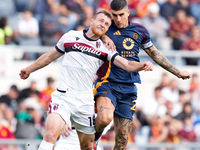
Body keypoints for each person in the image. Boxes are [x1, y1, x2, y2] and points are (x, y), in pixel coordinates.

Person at [19, 9, 154, 150]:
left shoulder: (105, 48)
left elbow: (127, 64)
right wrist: (29, 69)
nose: (103, 24)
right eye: (101, 20)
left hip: (85, 102)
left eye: (107, 24)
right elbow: (48, 57)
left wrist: (142, 65)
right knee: (50, 135)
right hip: (63, 96)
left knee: (88, 146)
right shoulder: (70, 37)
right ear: (92, 21)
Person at [93, 0, 191, 149]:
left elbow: (156, 55)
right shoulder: (105, 27)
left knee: (122, 141)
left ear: (128, 12)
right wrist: (103, 36)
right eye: (114, 15)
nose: (118, 19)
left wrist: (177, 72)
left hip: (128, 88)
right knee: (105, 118)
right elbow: (89, 33)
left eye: (121, 15)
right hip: (107, 82)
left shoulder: (140, 31)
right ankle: (93, 140)